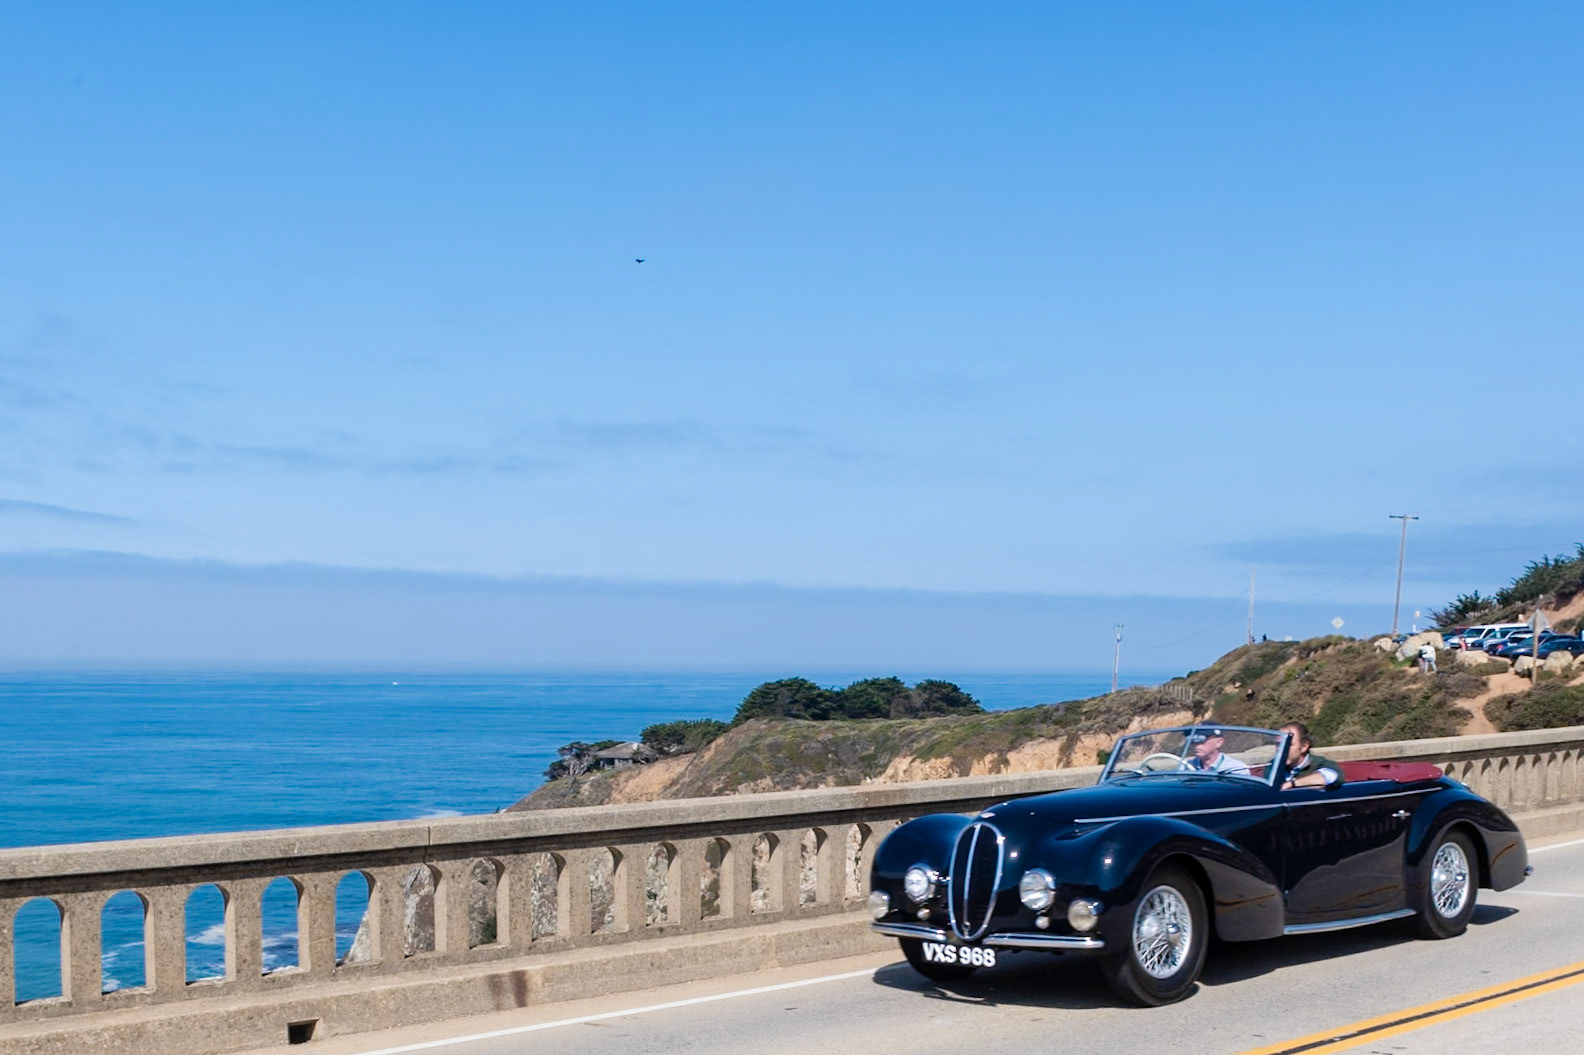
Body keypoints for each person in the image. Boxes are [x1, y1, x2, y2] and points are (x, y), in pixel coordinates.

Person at [1279, 721, 1343, 789]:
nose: (1281, 749)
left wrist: (1292, 784)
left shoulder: (1320, 763)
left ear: (1304, 746)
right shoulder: (1274, 766)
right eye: (1278, 744)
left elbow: (1331, 776)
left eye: (1288, 744)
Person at [1184, 727, 1253, 777]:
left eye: (1201, 739)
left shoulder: (1235, 768)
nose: (1197, 745)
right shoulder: (1186, 767)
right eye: (1192, 741)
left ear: (1219, 742)